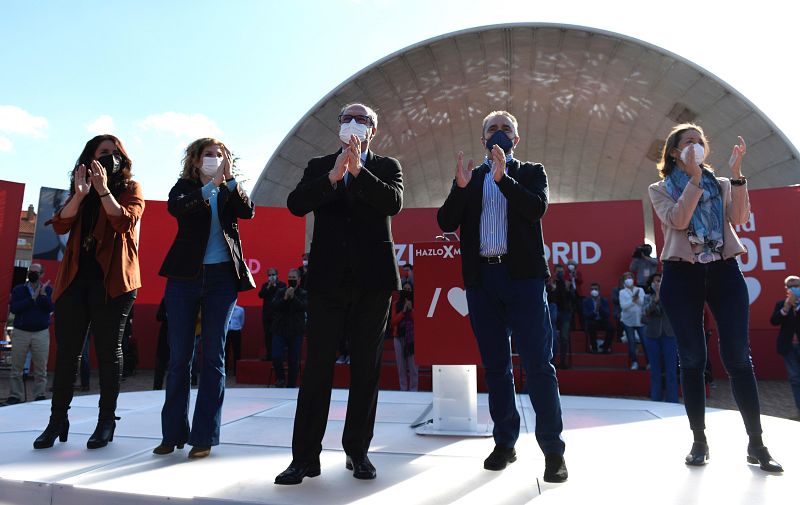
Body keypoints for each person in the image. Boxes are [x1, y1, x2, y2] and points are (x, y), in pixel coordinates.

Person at [275, 103, 403, 485]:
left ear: (372, 130)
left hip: (373, 281)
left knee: (366, 369)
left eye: (361, 119)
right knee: (316, 368)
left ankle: (357, 452)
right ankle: (304, 458)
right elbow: (296, 204)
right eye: (347, 118)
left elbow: (392, 203)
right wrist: (332, 177)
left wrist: (359, 172)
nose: (352, 123)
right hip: (328, 280)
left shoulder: (387, 166)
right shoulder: (319, 165)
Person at [437, 110, 567, 483]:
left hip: (523, 279)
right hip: (482, 281)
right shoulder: (470, 179)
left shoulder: (530, 172)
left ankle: (553, 451)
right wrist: (460, 189)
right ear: (482, 141)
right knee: (496, 368)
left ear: (517, 139)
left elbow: (536, 208)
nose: (499, 133)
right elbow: (446, 222)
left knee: (539, 367)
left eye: (506, 129)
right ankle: (505, 442)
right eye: (492, 129)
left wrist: (503, 178)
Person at [649, 123, 782, 472]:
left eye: (699, 141)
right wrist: (693, 179)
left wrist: (737, 175)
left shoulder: (722, 184)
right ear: (675, 152)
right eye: (687, 142)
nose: (694, 146)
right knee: (692, 358)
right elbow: (678, 220)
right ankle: (699, 440)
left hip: (725, 271)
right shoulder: (660, 188)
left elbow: (739, 219)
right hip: (682, 275)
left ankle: (757, 443)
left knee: (738, 356)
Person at [33, 134, 143, 450]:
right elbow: (60, 225)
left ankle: (106, 421)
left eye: (114, 152)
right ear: (89, 159)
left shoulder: (131, 189)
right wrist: (81, 195)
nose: (109, 157)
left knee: (108, 352)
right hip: (75, 280)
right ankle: (57, 421)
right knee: (68, 353)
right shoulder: (78, 191)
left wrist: (104, 189)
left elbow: (124, 221)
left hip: (114, 283)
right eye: (102, 152)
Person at [155, 138, 255, 460]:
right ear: (196, 160)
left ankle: (204, 436)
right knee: (180, 357)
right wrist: (209, 186)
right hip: (184, 278)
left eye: (220, 155)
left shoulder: (229, 187)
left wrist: (229, 183)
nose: (214, 159)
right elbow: (178, 209)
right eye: (208, 155)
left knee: (213, 356)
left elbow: (247, 212)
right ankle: (172, 434)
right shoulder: (183, 187)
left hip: (222, 279)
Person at [6, 263, 53, 405]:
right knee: (16, 368)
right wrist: (32, 298)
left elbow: (50, 308)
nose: (32, 274)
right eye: (30, 271)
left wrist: (43, 296)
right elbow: (14, 308)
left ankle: (39, 395)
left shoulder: (48, 289)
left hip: (41, 333)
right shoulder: (19, 289)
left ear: (42, 274)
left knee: (40, 368)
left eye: (36, 272)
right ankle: (16, 395)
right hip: (21, 332)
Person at [643, 273, 678, 402]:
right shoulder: (647, 297)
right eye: (656, 281)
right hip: (652, 336)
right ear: (651, 284)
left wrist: (664, 296)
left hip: (669, 336)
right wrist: (656, 299)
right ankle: (656, 399)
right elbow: (645, 312)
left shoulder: (672, 297)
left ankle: (672, 401)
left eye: (660, 281)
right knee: (655, 371)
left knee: (671, 371)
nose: (658, 283)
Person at [769, 275, 800, 415]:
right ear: (786, 289)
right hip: (789, 347)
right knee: (794, 378)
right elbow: (774, 321)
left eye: (797, 285)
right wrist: (786, 308)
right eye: (790, 286)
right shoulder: (782, 304)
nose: (794, 288)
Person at [271, 269, 307, 388]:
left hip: (296, 331)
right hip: (280, 329)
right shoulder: (280, 291)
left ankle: (291, 385)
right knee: (276, 355)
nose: (291, 279)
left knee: (293, 359)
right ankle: (280, 378)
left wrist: (293, 297)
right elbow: (274, 306)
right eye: (289, 277)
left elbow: (303, 307)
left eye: (294, 277)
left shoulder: (303, 293)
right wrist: (285, 298)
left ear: (299, 279)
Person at [391, 282, 418, 391]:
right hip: (398, 338)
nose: (407, 291)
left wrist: (410, 309)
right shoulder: (395, 304)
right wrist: (403, 311)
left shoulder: (417, 303)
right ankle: (403, 390)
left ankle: (414, 390)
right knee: (401, 367)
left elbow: (418, 321)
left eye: (409, 289)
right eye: (405, 288)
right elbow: (392, 322)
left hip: (412, 339)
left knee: (413, 367)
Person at [619, 271, 647, 370]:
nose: (629, 279)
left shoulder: (640, 290)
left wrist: (637, 299)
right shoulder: (622, 292)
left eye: (630, 277)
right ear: (624, 281)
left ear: (633, 279)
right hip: (628, 321)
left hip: (640, 320)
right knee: (631, 342)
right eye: (626, 278)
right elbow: (623, 306)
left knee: (644, 342)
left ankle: (649, 363)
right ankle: (634, 362)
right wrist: (633, 300)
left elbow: (644, 303)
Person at [258, 267, 285, 361]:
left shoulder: (282, 285)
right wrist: (269, 287)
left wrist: (274, 286)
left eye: (273, 275)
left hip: (278, 315)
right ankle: (269, 355)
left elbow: (282, 294)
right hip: (267, 315)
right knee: (268, 335)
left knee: (277, 335)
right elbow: (260, 295)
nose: (271, 277)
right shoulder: (265, 285)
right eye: (269, 275)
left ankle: (278, 356)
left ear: (277, 275)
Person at [582, 283, 614, 353]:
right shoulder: (586, 301)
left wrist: (600, 308)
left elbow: (607, 314)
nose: (594, 291)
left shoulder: (604, 300)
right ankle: (594, 348)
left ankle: (605, 347)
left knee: (611, 328)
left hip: (602, 320)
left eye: (596, 289)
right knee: (591, 326)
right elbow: (586, 315)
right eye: (592, 289)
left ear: (599, 290)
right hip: (592, 320)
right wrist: (595, 311)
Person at [153, 297, 170, 390]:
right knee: (160, 365)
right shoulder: (166, 299)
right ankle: (156, 389)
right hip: (165, 335)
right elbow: (159, 316)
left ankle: (172, 390)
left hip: (178, 335)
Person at [226, 304, 245, 376]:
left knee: (237, 351)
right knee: (225, 351)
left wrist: (237, 327)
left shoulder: (240, 309)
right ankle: (224, 370)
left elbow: (242, 322)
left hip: (236, 331)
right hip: (226, 331)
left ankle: (237, 371)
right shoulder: (225, 307)